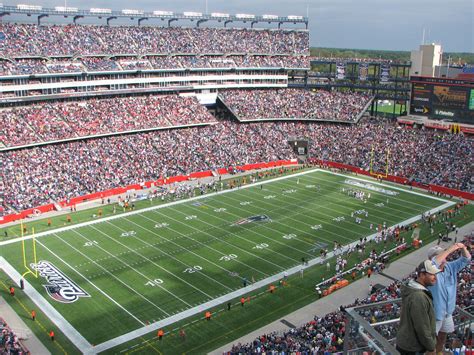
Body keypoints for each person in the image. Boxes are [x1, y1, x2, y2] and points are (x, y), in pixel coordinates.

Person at [427, 243, 471, 354]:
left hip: (447, 312)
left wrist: (463, 248)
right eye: (440, 255)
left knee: (443, 335)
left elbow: (466, 259)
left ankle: (439, 352)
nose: (443, 259)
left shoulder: (450, 266)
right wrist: (451, 248)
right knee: (430, 342)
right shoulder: (430, 270)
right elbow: (434, 263)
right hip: (434, 313)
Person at [396, 260, 441, 354]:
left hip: (409, 343)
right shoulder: (418, 297)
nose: (435, 278)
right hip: (413, 347)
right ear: (422, 275)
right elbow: (422, 327)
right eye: (432, 274)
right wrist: (431, 347)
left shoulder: (415, 289)